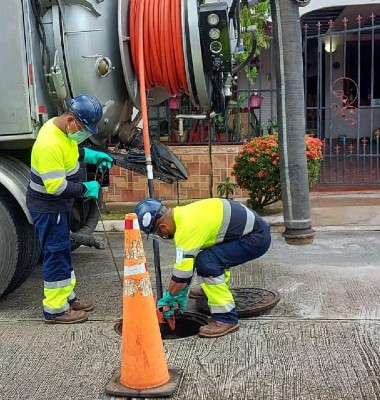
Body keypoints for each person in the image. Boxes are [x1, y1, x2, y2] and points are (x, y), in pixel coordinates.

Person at [27, 94, 113, 324]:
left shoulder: (63, 132)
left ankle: (68, 297)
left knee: (63, 249)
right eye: (83, 128)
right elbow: (56, 187)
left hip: (57, 207)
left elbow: (72, 151)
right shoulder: (49, 143)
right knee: (55, 253)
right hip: (48, 207)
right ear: (71, 120)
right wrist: (86, 188)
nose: (83, 133)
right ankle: (55, 310)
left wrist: (93, 156)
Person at [134, 197, 271, 338]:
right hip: (249, 232)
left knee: (207, 263)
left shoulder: (186, 230)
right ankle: (211, 287)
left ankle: (226, 318)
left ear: (163, 228)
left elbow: (182, 274)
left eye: (158, 234)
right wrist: (180, 292)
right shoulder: (183, 215)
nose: (162, 236)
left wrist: (170, 297)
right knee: (208, 257)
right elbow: (186, 264)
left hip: (255, 238)